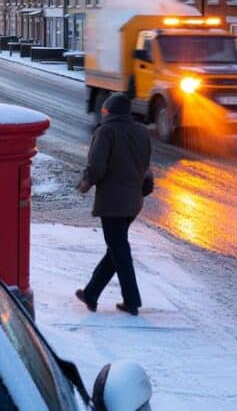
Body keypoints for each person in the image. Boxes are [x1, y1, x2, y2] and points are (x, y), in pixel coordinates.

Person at [74, 93, 151, 315]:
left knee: (119, 250)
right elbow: (146, 165)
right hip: (133, 201)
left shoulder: (106, 131)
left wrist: (84, 183)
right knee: (116, 249)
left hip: (113, 202)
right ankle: (91, 293)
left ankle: (132, 301)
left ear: (109, 111)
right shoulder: (141, 131)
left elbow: (97, 167)